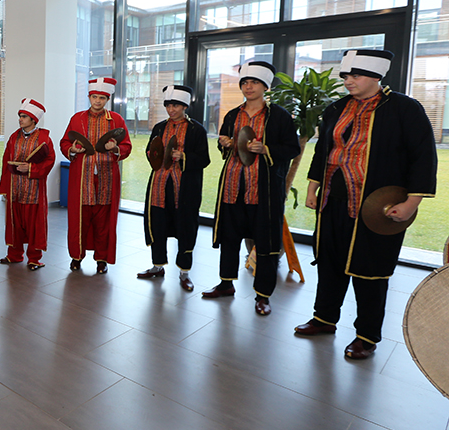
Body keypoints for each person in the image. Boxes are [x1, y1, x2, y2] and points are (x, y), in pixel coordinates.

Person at [296, 49, 437, 359]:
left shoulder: (404, 109)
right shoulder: (336, 109)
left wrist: (412, 203)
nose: (348, 81)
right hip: (335, 199)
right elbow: (324, 152)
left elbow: (423, 157)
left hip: (378, 205)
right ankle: (324, 318)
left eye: (355, 76)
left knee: (370, 269)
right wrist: (313, 187)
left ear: (376, 76)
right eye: (346, 76)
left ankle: (366, 335)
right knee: (330, 261)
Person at [203, 61, 300, 316]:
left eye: (254, 82)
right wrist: (224, 142)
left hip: (264, 190)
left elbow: (292, 149)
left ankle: (263, 295)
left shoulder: (278, 116)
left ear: (265, 86)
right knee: (229, 238)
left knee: (266, 243)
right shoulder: (233, 115)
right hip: (233, 186)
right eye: (244, 82)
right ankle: (226, 284)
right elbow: (224, 144)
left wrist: (266, 149)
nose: (248, 86)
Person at [138, 85, 210, 292]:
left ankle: (184, 271)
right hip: (160, 184)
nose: (171, 110)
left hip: (185, 188)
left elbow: (204, 159)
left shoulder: (197, 130)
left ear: (185, 106)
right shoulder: (159, 127)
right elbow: (150, 151)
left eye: (176, 105)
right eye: (168, 105)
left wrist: (184, 157)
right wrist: (155, 155)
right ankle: (157, 266)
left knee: (185, 226)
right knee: (158, 223)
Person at [59, 77, 132, 274]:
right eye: (94, 97)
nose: (97, 101)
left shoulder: (116, 120)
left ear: (107, 99)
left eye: (101, 97)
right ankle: (77, 256)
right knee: (79, 220)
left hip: (107, 178)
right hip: (82, 177)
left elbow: (127, 145)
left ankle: (101, 259)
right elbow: (65, 142)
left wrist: (116, 147)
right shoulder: (77, 119)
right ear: (89, 97)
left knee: (103, 221)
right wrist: (72, 149)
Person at [0, 98, 54, 270]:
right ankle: (14, 255)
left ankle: (34, 259)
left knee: (33, 225)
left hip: (34, 190)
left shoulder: (44, 138)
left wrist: (31, 168)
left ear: (33, 120)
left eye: (24, 116)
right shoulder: (14, 137)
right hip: (15, 188)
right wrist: (5, 187)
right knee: (15, 223)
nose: (20, 119)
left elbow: (50, 160)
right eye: (20, 116)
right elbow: (6, 160)